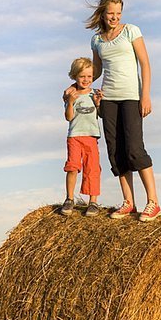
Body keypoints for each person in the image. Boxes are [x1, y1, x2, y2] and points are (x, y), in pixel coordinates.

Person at [86, 0, 161, 222]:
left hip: (131, 97)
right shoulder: (97, 40)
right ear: (103, 12)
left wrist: (145, 95)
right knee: (115, 152)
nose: (115, 17)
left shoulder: (131, 31)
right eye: (111, 13)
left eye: (118, 13)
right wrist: (79, 83)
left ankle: (153, 202)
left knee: (134, 149)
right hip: (108, 99)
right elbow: (97, 70)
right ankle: (129, 202)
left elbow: (145, 64)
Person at [61, 57, 103, 217]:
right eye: (82, 76)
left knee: (92, 168)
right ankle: (69, 199)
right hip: (74, 137)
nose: (86, 80)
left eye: (89, 76)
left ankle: (93, 202)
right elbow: (68, 117)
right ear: (75, 77)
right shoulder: (71, 94)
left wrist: (98, 103)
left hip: (91, 136)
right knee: (72, 167)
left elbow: (101, 115)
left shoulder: (95, 93)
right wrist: (70, 102)